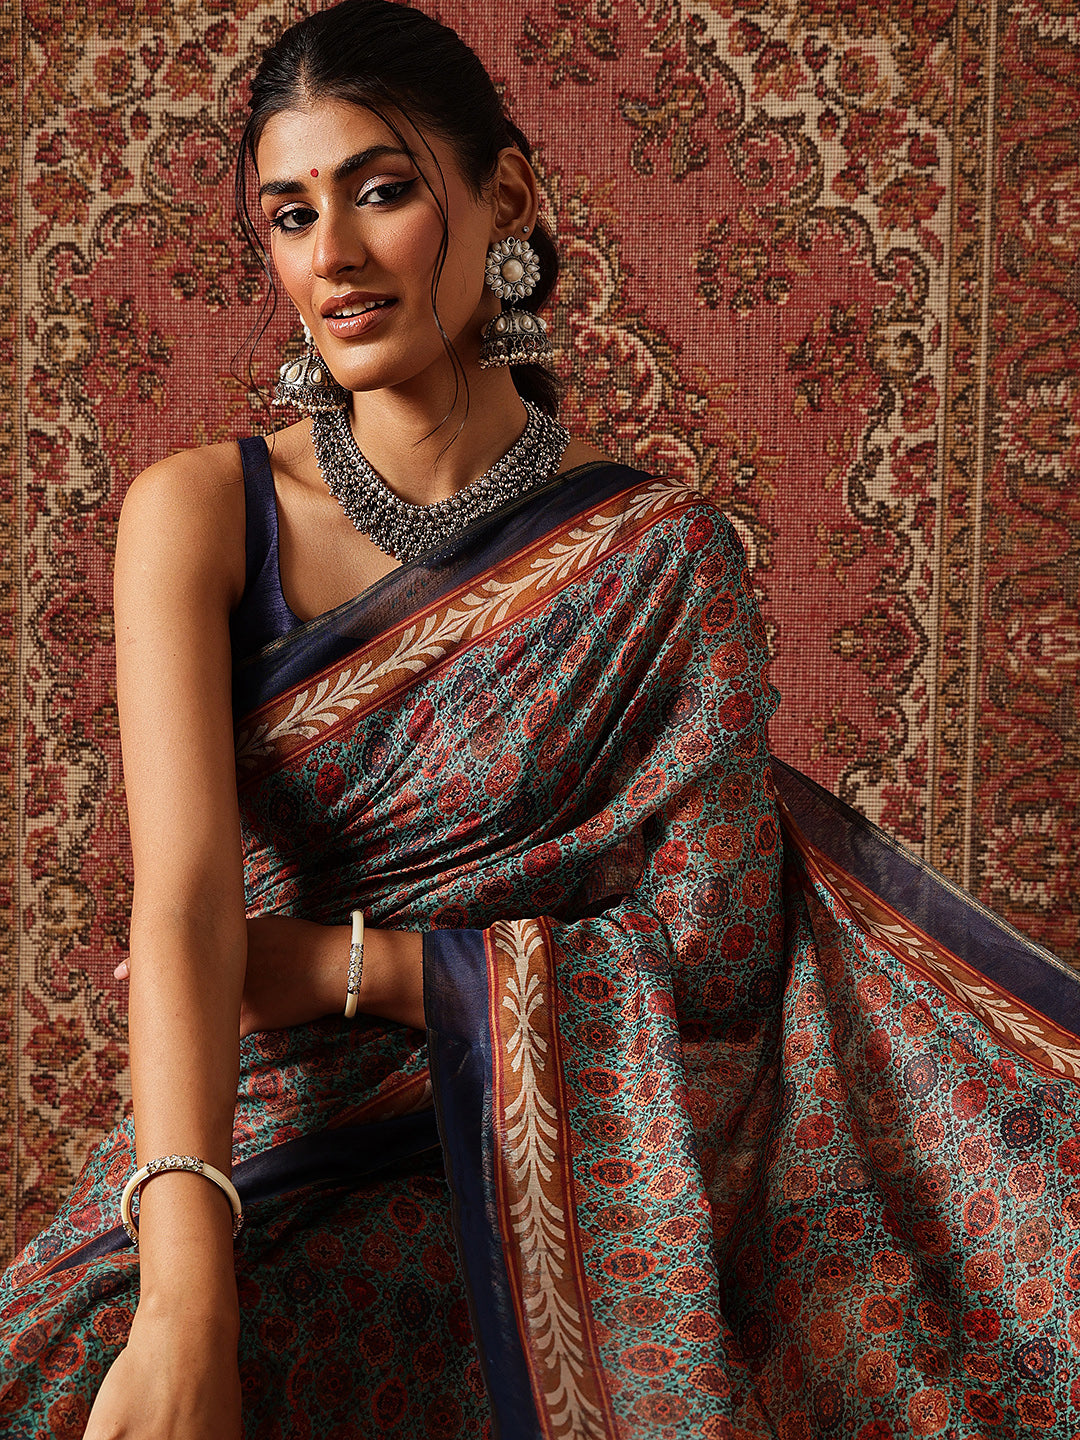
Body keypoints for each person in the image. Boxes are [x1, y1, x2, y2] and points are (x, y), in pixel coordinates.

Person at [2, 3, 1079, 1437]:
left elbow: (715, 952)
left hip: (566, 1157)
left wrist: (354, 967)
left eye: (382, 191)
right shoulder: (201, 514)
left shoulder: (658, 557)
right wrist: (182, 1300)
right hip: (258, 1141)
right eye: (291, 214)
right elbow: (186, 900)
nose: (332, 255)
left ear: (504, 197)